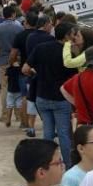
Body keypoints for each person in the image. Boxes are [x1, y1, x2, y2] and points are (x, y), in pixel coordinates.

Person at [23, 23, 77, 166]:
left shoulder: (41, 48)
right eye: (73, 34)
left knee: (47, 133)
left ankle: (47, 163)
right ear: (66, 36)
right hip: (61, 98)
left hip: (42, 96)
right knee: (63, 134)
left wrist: (37, 73)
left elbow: (25, 69)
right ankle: (68, 166)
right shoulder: (69, 54)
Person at [0, 5, 23, 121]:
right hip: (16, 61)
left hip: (2, 61)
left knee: (4, 87)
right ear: (13, 14)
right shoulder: (19, 27)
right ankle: (18, 115)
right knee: (17, 88)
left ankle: (5, 114)